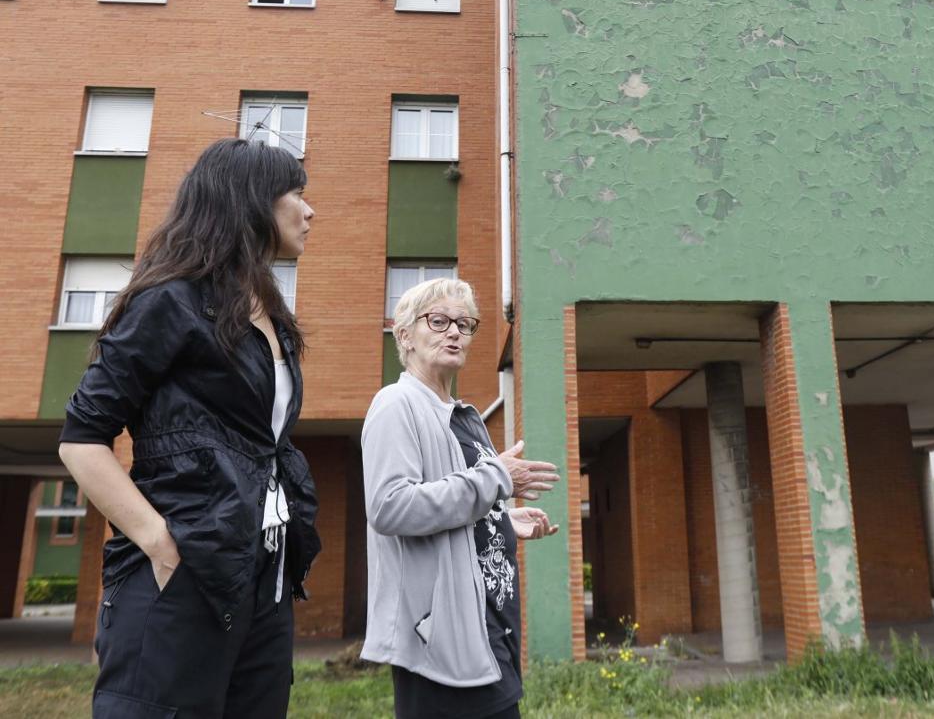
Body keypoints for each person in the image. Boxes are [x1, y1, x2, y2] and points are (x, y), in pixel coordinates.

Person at [58, 138, 322, 719]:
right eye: (296, 194)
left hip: (262, 580)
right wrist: (158, 542)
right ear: (252, 200)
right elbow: (82, 439)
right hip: (181, 575)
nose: (310, 211)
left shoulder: (271, 315)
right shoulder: (170, 301)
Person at [361, 278, 561, 719]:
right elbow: (390, 506)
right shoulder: (396, 404)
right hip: (440, 640)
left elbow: (463, 501)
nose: (454, 332)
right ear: (405, 336)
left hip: (489, 629)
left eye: (465, 324)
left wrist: (501, 521)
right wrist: (496, 477)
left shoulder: (466, 417)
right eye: (439, 321)